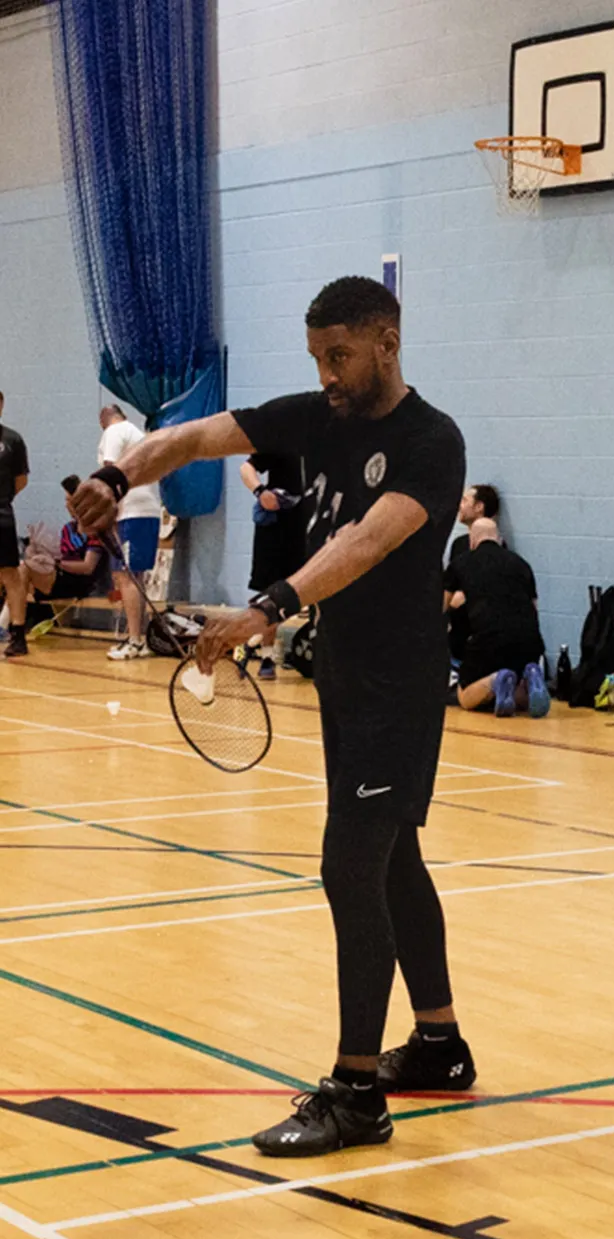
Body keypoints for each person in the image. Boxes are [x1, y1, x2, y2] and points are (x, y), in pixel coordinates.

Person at [71, 276, 473, 1157]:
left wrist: (266, 608)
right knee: (394, 855)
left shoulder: (431, 442)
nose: (327, 375)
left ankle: (357, 1092)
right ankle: (439, 1044)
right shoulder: (313, 416)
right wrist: (113, 473)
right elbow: (189, 439)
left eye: (341, 356)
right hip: (344, 678)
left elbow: (365, 541)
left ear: (387, 342)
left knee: (349, 866)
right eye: (317, 358)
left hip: (397, 689)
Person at [447, 516, 548, 717]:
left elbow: (439, 607)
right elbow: (533, 609)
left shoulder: (461, 563)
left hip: (488, 640)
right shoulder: (522, 564)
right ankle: (529, 678)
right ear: (499, 539)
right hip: (530, 642)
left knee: (465, 697)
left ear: (471, 541)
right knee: (520, 701)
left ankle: (496, 679)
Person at [1, 498, 107, 657]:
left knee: (22, 571)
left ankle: (8, 628)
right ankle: (14, 633)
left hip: (81, 581)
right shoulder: (68, 529)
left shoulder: (95, 533)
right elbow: (60, 556)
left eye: (70, 500)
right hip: (59, 576)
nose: (66, 504)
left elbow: (87, 567)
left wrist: (56, 563)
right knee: (20, 570)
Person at [96, 405, 160, 661]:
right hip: (143, 511)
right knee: (132, 577)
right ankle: (136, 637)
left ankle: (135, 641)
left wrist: (105, 514)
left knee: (127, 576)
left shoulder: (115, 431)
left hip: (133, 512)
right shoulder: (135, 433)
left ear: (104, 419)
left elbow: (109, 473)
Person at [239, 451, 308, 680]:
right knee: (272, 594)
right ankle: (266, 655)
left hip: (307, 525)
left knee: (307, 594)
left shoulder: (328, 441)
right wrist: (261, 492)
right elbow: (246, 469)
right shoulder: (282, 436)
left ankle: (252, 641)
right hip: (276, 527)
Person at [444, 483, 501, 668]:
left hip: (480, 631)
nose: (459, 505)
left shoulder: (497, 550)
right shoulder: (459, 545)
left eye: (465, 500)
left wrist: (467, 594)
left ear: (479, 507)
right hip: (456, 632)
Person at [0, 391, 31, 659]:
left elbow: (21, 480)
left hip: (1, 516)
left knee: (10, 574)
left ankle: (18, 634)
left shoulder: (12, 440)